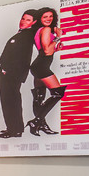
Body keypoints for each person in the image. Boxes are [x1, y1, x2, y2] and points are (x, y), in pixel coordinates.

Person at [0, 9, 40, 138]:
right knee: (11, 100)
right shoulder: (24, 34)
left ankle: (14, 130)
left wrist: (6, 70)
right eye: (23, 18)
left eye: (28, 20)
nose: (23, 22)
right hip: (11, 72)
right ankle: (15, 128)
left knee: (10, 101)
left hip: (10, 73)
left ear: (34, 22)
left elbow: (19, 57)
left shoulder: (26, 36)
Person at [26, 7, 67, 135]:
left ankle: (41, 125)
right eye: (45, 17)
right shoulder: (46, 29)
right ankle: (36, 121)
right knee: (58, 93)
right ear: (40, 19)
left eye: (51, 16)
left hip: (38, 65)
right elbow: (47, 50)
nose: (49, 19)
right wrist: (57, 38)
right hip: (42, 66)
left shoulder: (38, 30)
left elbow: (46, 50)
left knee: (39, 96)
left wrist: (56, 48)